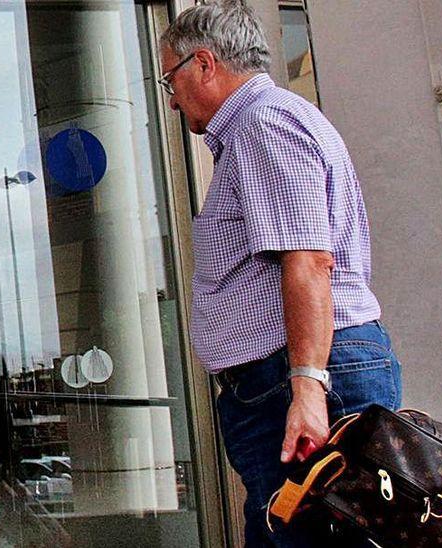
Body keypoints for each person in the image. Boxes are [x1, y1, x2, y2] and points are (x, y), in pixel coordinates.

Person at [158, 2, 400, 546]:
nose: (170, 98)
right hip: (287, 379)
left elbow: (308, 260)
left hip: (298, 379)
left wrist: (309, 389)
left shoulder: (262, 124)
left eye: (169, 79)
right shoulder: (262, 124)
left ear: (204, 63)